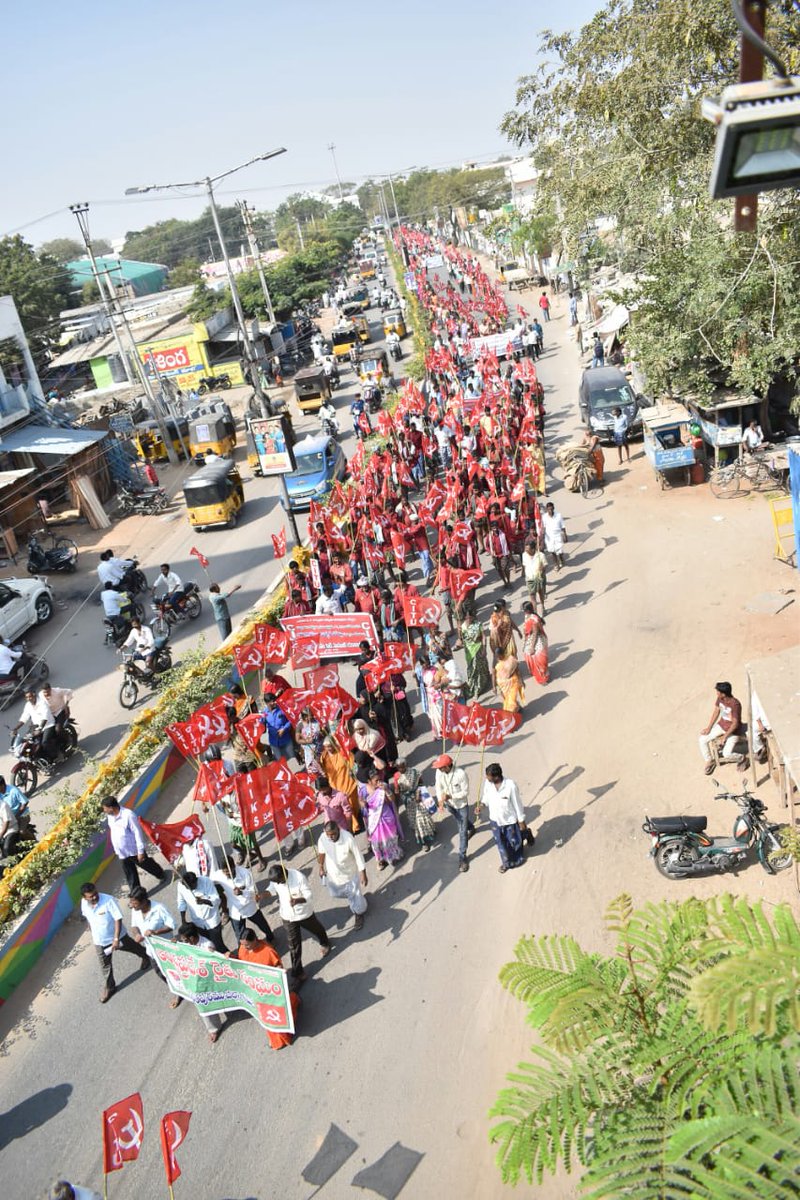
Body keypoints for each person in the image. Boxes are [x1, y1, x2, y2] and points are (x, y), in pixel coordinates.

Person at [80, 881, 150, 1003]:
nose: (95, 897)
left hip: (118, 938)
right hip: (100, 941)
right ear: (85, 898)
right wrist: (90, 927)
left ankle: (147, 956)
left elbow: (118, 918)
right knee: (105, 965)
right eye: (91, 896)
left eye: (95, 893)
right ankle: (110, 987)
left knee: (132, 947)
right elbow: (87, 917)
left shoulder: (108, 900)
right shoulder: (84, 904)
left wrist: (116, 939)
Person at [266, 862, 331, 985]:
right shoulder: (276, 880)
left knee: (316, 929)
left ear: (284, 874)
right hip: (287, 916)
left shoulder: (298, 877)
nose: (278, 883)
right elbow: (272, 890)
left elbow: (309, 896)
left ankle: (325, 942)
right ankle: (298, 973)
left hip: (303, 913)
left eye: (279, 881)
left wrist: (297, 901)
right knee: (294, 945)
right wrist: (261, 895)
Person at [236, 929, 299, 1049]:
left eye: (247, 944)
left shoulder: (267, 951)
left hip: (269, 991)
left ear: (254, 939)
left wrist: (280, 973)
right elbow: (239, 963)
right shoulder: (243, 949)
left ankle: (281, 1038)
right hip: (256, 991)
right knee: (265, 1017)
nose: (244, 947)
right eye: (242, 944)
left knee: (275, 1015)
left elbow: (278, 966)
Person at [101, 796, 166, 893]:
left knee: (146, 864)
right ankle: (136, 893)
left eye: (104, 808)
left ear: (111, 808)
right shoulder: (110, 817)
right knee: (130, 873)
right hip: (122, 852)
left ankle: (160, 874)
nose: (104, 810)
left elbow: (137, 832)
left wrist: (140, 851)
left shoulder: (128, 815)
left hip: (134, 850)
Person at [175, 922, 224, 1043]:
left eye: (185, 940)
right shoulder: (184, 943)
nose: (183, 942)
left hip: (209, 979)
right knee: (201, 1003)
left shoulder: (207, 946)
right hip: (195, 982)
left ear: (192, 938)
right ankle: (213, 1028)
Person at [212, 847, 274, 943]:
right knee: (239, 936)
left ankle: (270, 937)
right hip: (235, 910)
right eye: (224, 871)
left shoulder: (245, 873)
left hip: (249, 905)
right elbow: (206, 880)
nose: (226, 874)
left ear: (233, 867)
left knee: (262, 925)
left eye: (228, 871)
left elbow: (253, 892)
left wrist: (242, 892)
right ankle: (243, 952)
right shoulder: (218, 875)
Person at [317, 820, 368, 929]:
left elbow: (358, 855)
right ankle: (354, 899)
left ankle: (358, 914)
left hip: (349, 875)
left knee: (357, 900)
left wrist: (363, 873)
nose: (331, 837)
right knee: (335, 894)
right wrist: (321, 866)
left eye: (333, 834)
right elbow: (321, 853)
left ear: (338, 830)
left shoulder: (348, 838)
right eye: (328, 835)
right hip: (333, 875)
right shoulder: (323, 838)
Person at [481, 763, 526, 873]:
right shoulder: (488, 784)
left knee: (514, 841)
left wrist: (521, 820)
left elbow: (517, 804)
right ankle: (507, 863)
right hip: (495, 821)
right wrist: (482, 805)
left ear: (496, 777)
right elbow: (486, 797)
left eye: (488, 776)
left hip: (509, 820)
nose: (486, 778)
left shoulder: (510, 786)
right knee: (501, 843)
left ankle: (525, 836)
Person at [434, 753, 473, 873]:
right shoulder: (439, 773)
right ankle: (470, 827)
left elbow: (465, 792)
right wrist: (440, 799)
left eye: (441, 767)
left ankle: (462, 857)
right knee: (463, 823)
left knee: (462, 831)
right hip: (450, 806)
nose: (439, 769)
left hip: (461, 805)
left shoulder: (460, 774)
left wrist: (451, 796)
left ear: (447, 766)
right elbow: (438, 786)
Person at [359, 769, 404, 869]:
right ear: (369, 781)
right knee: (376, 842)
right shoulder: (363, 790)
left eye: (379, 779)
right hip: (374, 820)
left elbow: (391, 800)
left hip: (386, 816)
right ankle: (380, 860)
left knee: (390, 838)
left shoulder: (383, 787)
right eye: (376, 781)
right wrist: (363, 804)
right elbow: (361, 802)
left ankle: (394, 855)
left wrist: (386, 791)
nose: (379, 782)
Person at [699, 681, 747, 774]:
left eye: (718, 692)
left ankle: (742, 758)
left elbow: (735, 724)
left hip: (733, 731)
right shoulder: (720, 699)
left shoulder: (735, 705)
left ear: (723, 694)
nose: (716, 694)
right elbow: (716, 711)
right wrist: (709, 727)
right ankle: (709, 760)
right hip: (721, 726)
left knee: (726, 754)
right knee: (702, 739)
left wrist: (725, 737)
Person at [176, 871, 227, 954]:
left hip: (212, 921)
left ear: (196, 881)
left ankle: (231, 959)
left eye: (192, 886)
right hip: (198, 922)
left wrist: (205, 901)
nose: (191, 889)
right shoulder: (180, 886)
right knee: (207, 947)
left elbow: (217, 900)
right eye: (188, 887)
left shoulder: (206, 881)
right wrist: (183, 921)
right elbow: (181, 903)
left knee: (218, 946)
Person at [460, 606, 492, 700]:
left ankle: (479, 689)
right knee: (472, 671)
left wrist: (484, 648)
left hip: (478, 648)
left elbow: (483, 637)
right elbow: (462, 641)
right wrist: (459, 638)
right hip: (469, 652)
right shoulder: (462, 627)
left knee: (480, 667)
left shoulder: (478, 624)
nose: (468, 619)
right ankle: (473, 688)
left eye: (470, 617)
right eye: (467, 617)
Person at [522, 602, 550, 685]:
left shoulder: (534, 620)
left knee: (540, 659)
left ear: (527, 610)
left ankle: (543, 678)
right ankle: (535, 673)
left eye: (524, 610)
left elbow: (535, 634)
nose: (523, 611)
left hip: (537, 640)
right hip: (530, 639)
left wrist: (532, 647)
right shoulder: (527, 616)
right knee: (528, 656)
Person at [261, 694, 294, 761]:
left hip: (286, 741)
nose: (275, 702)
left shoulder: (282, 708)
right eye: (272, 701)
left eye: (275, 700)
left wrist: (284, 729)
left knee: (292, 760)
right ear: (267, 703)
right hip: (274, 743)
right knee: (281, 763)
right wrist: (261, 722)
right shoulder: (264, 713)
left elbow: (291, 720)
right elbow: (261, 728)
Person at [521, 538, 548, 616]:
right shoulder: (524, 555)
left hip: (539, 578)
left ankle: (543, 606)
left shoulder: (541, 555)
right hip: (530, 579)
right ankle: (535, 613)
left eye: (528, 549)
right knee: (532, 597)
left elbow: (545, 565)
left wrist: (542, 568)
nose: (526, 550)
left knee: (540, 593)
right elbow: (525, 565)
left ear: (533, 549)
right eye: (525, 548)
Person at [488, 600, 520, 665]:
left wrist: (518, 631)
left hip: (509, 636)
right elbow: (493, 632)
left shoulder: (507, 613)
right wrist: (498, 625)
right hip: (499, 640)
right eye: (504, 606)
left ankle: (514, 669)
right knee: (503, 656)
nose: (506, 607)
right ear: (501, 607)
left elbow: (511, 622)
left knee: (512, 651)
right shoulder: (494, 617)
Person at [542, 502, 567, 571]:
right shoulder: (544, 517)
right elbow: (543, 527)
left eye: (551, 509)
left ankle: (561, 558)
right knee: (552, 551)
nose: (550, 511)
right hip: (549, 537)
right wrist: (542, 536)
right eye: (549, 509)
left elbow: (563, 526)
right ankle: (556, 564)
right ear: (547, 509)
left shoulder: (558, 515)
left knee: (560, 551)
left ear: (553, 508)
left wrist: (565, 535)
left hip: (558, 536)